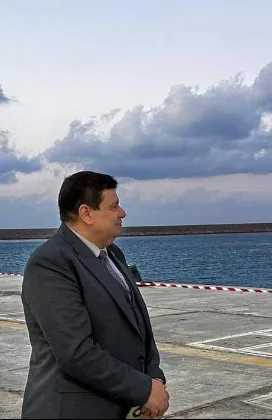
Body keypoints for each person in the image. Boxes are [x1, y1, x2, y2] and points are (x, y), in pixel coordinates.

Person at [20, 170, 170, 419]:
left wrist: (154, 381)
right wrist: (143, 389)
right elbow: (76, 352)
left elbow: (140, 331)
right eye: (114, 206)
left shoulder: (113, 254)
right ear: (86, 213)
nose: (122, 213)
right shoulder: (51, 262)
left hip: (124, 407)